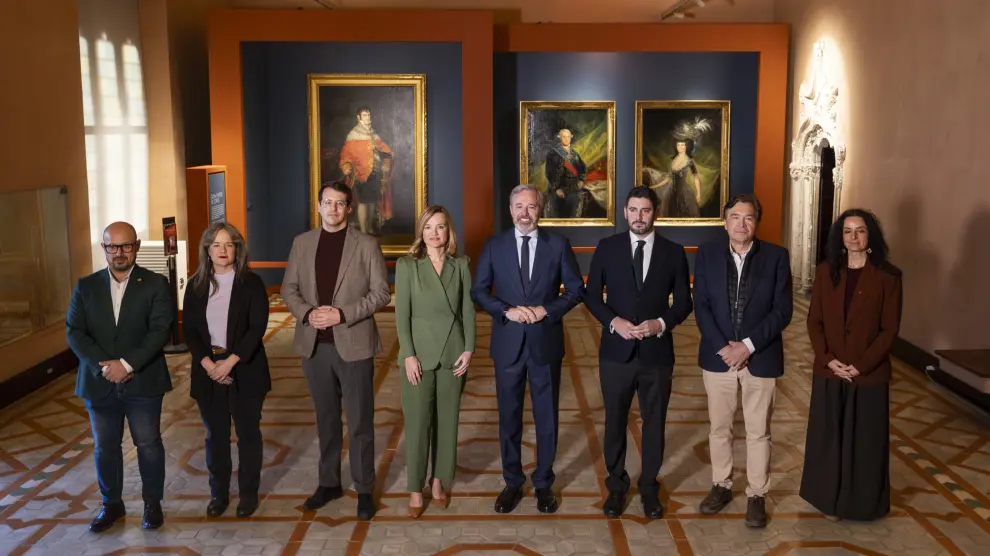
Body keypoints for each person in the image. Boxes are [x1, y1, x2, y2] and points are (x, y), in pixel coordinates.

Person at [470, 184, 584, 514]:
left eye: (531, 206)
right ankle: (512, 481)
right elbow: (479, 291)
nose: (525, 213)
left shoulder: (558, 245)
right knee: (509, 417)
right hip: (507, 343)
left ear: (540, 209)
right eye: (519, 206)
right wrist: (505, 311)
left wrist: (546, 309)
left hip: (545, 343)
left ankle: (544, 483)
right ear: (510, 210)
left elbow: (576, 290)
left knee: (546, 417)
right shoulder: (494, 246)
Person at [281, 181, 391, 520]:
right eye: (327, 202)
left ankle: (364, 488)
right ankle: (328, 482)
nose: (333, 209)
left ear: (348, 208)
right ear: (318, 206)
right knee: (326, 420)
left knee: (359, 422)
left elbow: (381, 293)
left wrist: (341, 314)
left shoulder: (366, 244)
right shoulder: (302, 243)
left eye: (340, 203)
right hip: (315, 346)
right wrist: (307, 313)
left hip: (354, 345)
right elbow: (289, 289)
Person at [584, 186, 693, 519]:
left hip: (656, 354)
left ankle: (649, 488)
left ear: (655, 212)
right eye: (633, 210)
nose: (639, 216)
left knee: (654, 423)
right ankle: (616, 487)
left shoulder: (674, 252)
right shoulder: (607, 248)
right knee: (615, 421)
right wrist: (613, 321)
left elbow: (684, 303)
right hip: (616, 353)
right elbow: (591, 296)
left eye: (645, 210)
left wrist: (660, 323)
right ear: (625, 212)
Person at [692, 193, 793, 528]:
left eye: (748, 217)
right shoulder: (707, 254)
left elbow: (782, 310)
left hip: (760, 357)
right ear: (725, 222)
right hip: (718, 356)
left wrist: (747, 346)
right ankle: (721, 485)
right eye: (735, 217)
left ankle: (757, 494)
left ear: (756, 222)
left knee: (758, 431)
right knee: (719, 428)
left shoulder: (776, 257)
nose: (741, 223)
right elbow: (701, 305)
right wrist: (724, 346)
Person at [66, 221, 173, 532]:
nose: (119, 253)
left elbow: (160, 330)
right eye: (112, 246)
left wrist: (126, 365)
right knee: (105, 447)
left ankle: (152, 504)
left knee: (148, 444)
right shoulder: (86, 286)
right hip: (99, 382)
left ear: (136, 247)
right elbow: (75, 332)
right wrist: (106, 366)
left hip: (143, 380)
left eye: (126, 246)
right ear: (104, 248)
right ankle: (111, 504)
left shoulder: (155, 284)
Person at [801, 209, 902, 522]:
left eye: (860, 230)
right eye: (847, 231)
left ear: (870, 235)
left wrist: (859, 366)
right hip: (829, 371)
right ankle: (829, 503)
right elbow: (814, 322)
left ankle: (862, 505)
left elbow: (889, 330)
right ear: (840, 237)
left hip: (868, 375)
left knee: (865, 443)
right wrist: (828, 359)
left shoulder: (888, 276)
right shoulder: (825, 272)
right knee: (829, 440)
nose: (854, 237)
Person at [182, 222, 271, 519]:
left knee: (248, 435)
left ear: (237, 249)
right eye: (216, 245)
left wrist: (230, 362)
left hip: (245, 369)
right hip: (208, 371)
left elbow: (256, 328)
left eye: (229, 244)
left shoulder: (251, 283)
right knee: (216, 437)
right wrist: (209, 365)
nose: (223, 250)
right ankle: (218, 495)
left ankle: (248, 495)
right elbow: (190, 331)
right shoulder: (195, 286)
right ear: (207, 250)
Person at [394, 205, 475, 518]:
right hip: (418, 356)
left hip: (453, 354)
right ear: (421, 231)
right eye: (428, 227)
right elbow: (402, 316)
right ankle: (415, 488)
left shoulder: (461, 264)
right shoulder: (407, 265)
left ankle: (438, 481)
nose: (434, 233)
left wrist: (469, 349)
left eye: (440, 226)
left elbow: (467, 310)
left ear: (448, 231)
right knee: (417, 424)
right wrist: (408, 354)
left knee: (447, 422)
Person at [338, 106, 393, 234]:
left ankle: (369, 228)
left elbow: (385, 150)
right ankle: (363, 232)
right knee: (363, 202)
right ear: (358, 117)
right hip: (360, 173)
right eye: (364, 115)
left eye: (368, 115)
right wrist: (346, 166)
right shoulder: (353, 135)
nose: (367, 117)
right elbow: (346, 154)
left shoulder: (373, 133)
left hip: (375, 172)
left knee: (372, 201)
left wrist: (386, 160)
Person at [544, 128, 589, 218]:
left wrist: (581, 180)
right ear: (560, 137)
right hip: (558, 190)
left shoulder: (574, 153)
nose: (566, 139)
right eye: (564, 137)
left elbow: (583, 167)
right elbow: (549, 173)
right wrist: (557, 189)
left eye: (568, 136)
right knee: (557, 216)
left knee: (573, 215)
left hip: (573, 189)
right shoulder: (552, 154)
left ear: (571, 137)